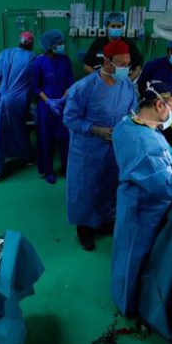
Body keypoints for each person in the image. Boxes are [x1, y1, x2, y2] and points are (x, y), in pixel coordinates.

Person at [110, 81, 172, 315]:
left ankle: (131, 297)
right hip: (142, 208)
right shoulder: (143, 142)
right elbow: (167, 185)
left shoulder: (130, 123)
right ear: (159, 105)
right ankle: (127, 305)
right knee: (132, 258)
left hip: (134, 200)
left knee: (128, 253)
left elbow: (162, 153)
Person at [64, 39, 138, 250]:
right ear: (106, 62)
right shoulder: (85, 87)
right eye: (121, 64)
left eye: (128, 64)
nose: (125, 69)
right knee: (85, 188)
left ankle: (106, 221)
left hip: (115, 149)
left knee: (109, 185)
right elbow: (69, 118)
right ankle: (84, 229)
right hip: (87, 150)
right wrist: (95, 129)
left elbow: (132, 113)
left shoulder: (127, 86)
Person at [0, 31, 36, 179]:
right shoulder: (33, 58)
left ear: (20, 41)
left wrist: (8, 81)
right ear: (31, 43)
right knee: (19, 129)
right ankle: (27, 157)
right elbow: (36, 80)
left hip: (1, 98)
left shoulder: (6, 53)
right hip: (19, 100)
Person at [32, 29, 73, 184]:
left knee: (65, 138)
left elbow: (70, 82)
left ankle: (66, 167)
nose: (62, 45)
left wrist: (63, 99)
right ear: (50, 45)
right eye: (59, 43)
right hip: (45, 107)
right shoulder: (39, 63)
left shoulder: (65, 60)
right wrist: (48, 101)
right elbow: (36, 87)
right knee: (45, 139)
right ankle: (48, 170)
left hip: (63, 105)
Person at [82, 12, 143, 79]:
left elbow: (137, 67)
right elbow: (86, 67)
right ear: (107, 27)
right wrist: (100, 78)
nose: (116, 28)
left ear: (123, 27)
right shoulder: (98, 43)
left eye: (119, 26)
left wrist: (128, 81)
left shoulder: (129, 44)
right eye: (113, 26)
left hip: (122, 80)